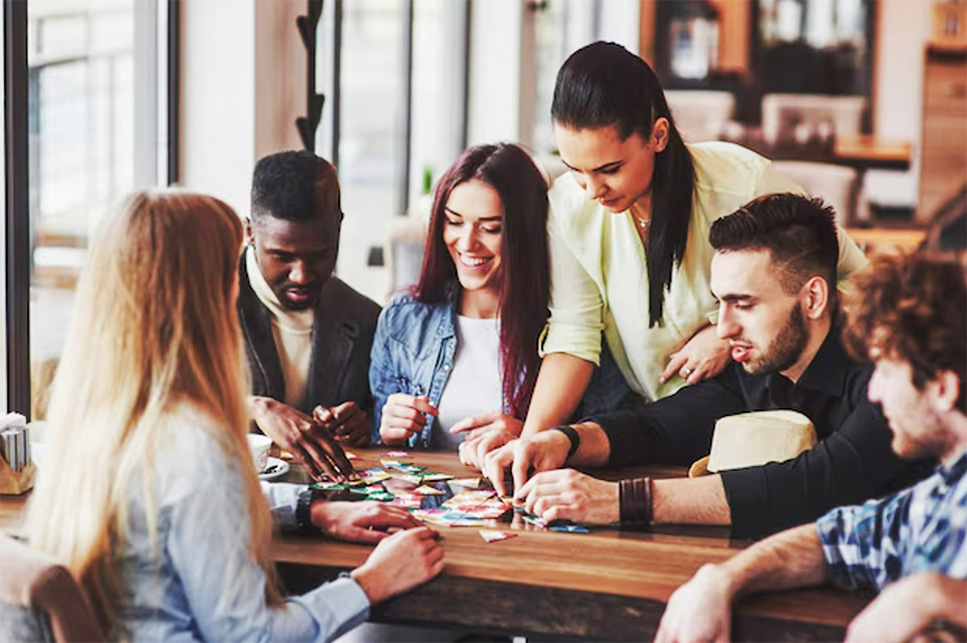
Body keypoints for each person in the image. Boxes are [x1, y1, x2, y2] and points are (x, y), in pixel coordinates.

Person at [25, 191, 444, 641]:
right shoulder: (197, 446)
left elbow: (178, 508)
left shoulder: (91, 418)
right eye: (231, 271)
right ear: (205, 294)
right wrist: (370, 583)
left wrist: (310, 510)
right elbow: (251, 637)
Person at [477, 41, 868, 470]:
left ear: (658, 135)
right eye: (575, 170)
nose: (591, 190)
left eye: (609, 169)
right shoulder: (569, 207)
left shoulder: (742, 183)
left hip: (755, 432)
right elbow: (574, 336)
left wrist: (725, 333)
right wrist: (533, 446)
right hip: (651, 428)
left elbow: (852, 279)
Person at [485, 193, 929, 536]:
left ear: (812, 298)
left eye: (744, 304)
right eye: (720, 304)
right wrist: (564, 441)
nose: (723, 328)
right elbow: (659, 427)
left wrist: (620, 502)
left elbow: (821, 485)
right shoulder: (759, 366)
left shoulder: (890, 373)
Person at [655, 252, 967, 643]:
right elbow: (834, 539)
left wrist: (933, 595)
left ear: (942, 389)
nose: (874, 390)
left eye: (887, 370)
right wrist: (720, 578)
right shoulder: (938, 497)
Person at [370, 143, 627, 464]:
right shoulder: (404, 316)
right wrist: (388, 429)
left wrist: (532, 436)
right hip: (432, 507)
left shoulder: (576, 325)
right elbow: (381, 451)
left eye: (490, 228)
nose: (467, 243)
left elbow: (615, 437)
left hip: (529, 502)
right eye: (454, 222)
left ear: (527, 232)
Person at [241, 151, 379, 478]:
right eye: (282, 256)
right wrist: (255, 407)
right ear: (249, 233)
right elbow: (161, 408)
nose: (302, 275)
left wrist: (362, 426)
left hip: (333, 513)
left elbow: (378, 420)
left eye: (320, 255)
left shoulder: (366, 317)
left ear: (339, 228)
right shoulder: (204, 305)